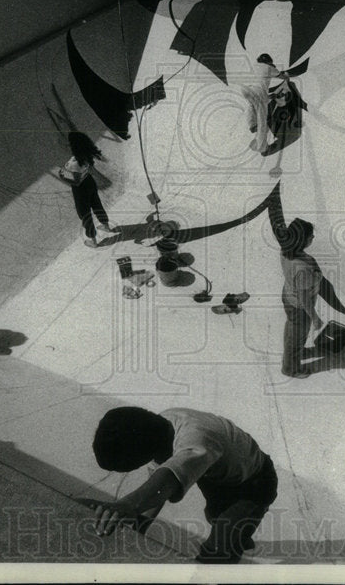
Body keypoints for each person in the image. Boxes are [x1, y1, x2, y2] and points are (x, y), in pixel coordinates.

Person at [91, 406, 278, 564]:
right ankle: (240, 535)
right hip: (220, 471)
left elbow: (166, 480)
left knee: (217, 552)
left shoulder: (196, 439)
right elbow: (157, 487)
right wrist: (138, 526)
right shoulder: (159, 427)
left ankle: (235, 540)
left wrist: (128, 505)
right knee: (215, 515)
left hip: (254, 484)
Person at [268, 193, 323, 377]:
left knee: (293, 330)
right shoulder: (302, 269)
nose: (312, 237)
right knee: (297, 335)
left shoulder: (287, 248)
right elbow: (304, 298)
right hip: (300, 306)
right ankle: (291, 368)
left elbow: (278, 224)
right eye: (310, 236)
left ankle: (295, 353)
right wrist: (314, 318)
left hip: (289, 297)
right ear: (303, 240)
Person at [58, 132, 117, 248]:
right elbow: (89, 169)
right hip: (89, 182)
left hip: (80, 190)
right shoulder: (85, 155)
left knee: (84, 214)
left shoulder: (75, 163)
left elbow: (76, 181)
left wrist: (63, 177)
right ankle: (106, 225)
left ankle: (93, 240)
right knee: (97, 205)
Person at [240, 54, 289, 154]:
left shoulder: (254, 66)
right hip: (258, 92)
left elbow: (258, 89)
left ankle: (252, 124)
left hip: (245, 89)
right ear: (268, 62)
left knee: (252, 105)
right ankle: (263, 148)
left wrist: (270, 97)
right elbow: (281, 76)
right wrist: (286, 76)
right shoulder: (269, 67)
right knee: (262, 119)